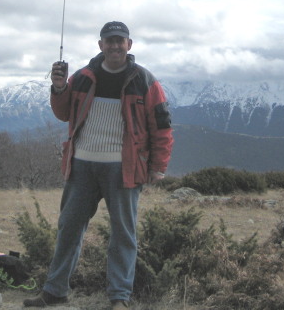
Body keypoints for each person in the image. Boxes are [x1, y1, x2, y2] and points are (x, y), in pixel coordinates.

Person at [23, 21, 173, 309]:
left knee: (123, 235)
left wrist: (158, 166)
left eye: (120, 40)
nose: (115, 45)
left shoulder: (145, 81)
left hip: (124, 168)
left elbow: (162, 127)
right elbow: (64, 113)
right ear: (100, 45)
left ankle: (119, 298)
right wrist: (58, 87)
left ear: (129, 45)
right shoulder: (82, 77)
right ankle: (55, 291)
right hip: (82, 166)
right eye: (109, 40)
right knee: (68, 228)